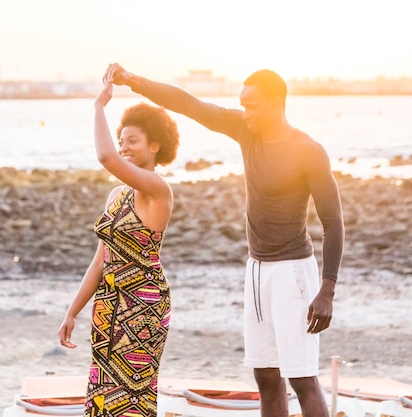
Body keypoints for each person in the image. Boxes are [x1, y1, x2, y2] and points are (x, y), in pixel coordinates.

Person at [103, 63, 344, 417]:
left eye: (253, 105)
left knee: (302, 379)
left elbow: (333, 222)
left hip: (293, 273)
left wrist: (327, 289)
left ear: (277, 103)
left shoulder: (308, 150)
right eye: (242, 105)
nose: (245, 112)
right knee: (266, 377)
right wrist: (133, 81)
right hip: (256, 270)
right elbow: (187, 103)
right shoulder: (245, 131)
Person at [58, 82, 180, 417]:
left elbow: (105, 156)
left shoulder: (158, 190)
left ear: (154, 145)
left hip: (142, 305)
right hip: (108, 304)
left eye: (133, 141)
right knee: (102, 398)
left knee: (131, 400)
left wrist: (99, 106)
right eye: (122, 140)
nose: (124, 147)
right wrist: (73, 311)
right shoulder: (116, 195)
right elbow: (99, 261)